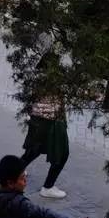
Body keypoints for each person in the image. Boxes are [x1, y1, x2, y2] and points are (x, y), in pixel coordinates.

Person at [19, 53, 70, 199]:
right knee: (62, 154)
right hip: (52, 122)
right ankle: (48, 187)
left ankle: (15, 172)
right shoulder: (55, 80)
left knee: (33, 150)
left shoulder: (37, 76)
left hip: (37, 119)